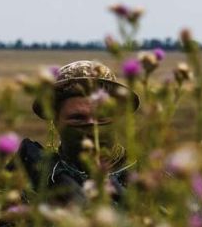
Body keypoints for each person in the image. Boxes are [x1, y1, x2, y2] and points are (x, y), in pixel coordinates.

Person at [14, 60, 140, 207]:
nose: (92, 125)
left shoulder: (146, 175)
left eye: (102, 116)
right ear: (56, 121)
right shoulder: (37, 179)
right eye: (78, 118)